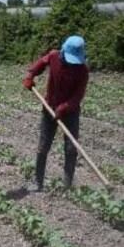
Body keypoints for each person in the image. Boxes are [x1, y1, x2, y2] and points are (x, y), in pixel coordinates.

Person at [23, 35, 88, 191]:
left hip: (70, 111)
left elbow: (77, 96)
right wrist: (30, 75)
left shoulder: (82, 70)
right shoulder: (54, 56)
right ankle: (38, 183)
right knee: (43, 147)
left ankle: (67, 185)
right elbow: (40, 64)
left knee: (71, 148)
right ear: (63, 51)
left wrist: (63, 108)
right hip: (49, 107)